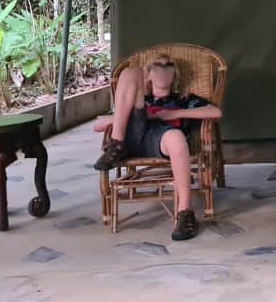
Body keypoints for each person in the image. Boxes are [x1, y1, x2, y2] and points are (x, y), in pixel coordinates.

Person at [92, 54, 222, 241]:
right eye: (156, 67)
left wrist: (172, 114)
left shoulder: (183, 100)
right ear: (149, 76)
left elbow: (215, 112)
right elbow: (97, 125)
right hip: (133, 135)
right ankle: (117, 144)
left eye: (168, 66)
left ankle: (185, 212)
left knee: (176, 137)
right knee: (130, 71)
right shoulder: (137, 100)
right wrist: (143, 115)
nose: (162, 69)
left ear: (174, 75)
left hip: (161, 140)